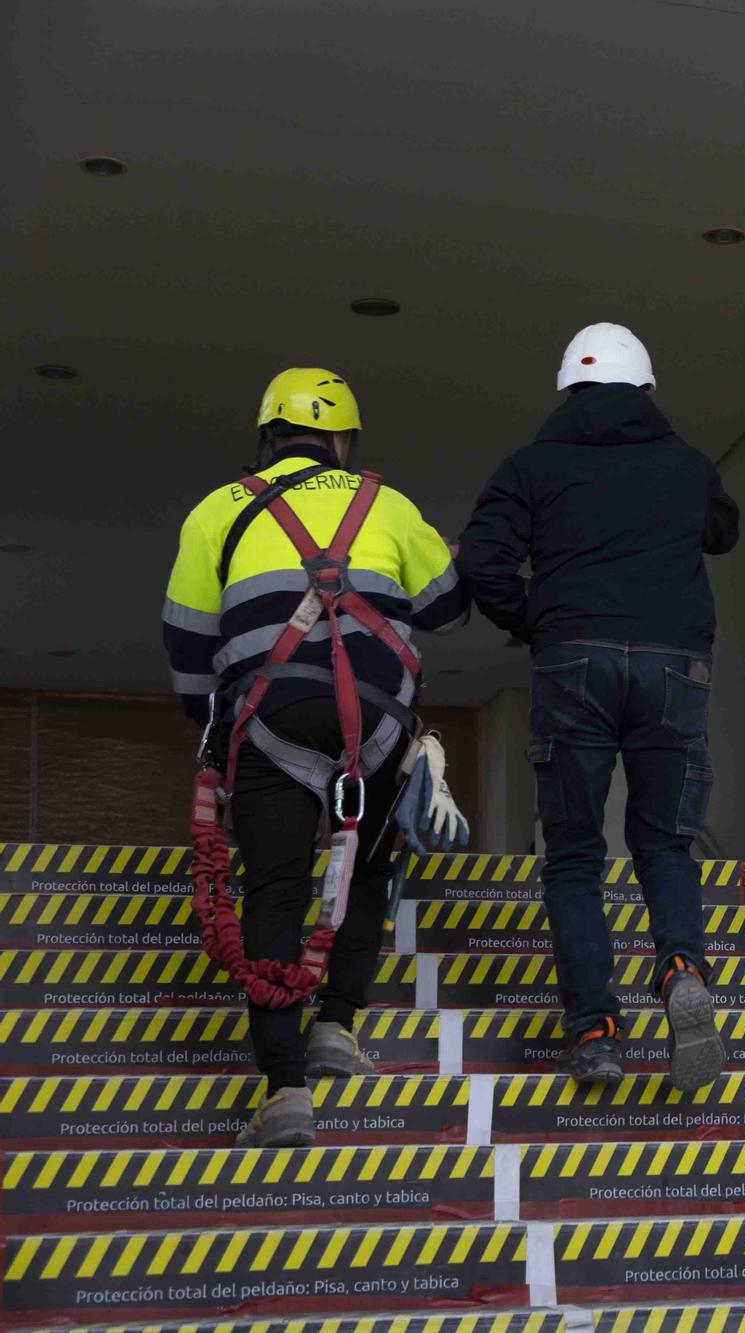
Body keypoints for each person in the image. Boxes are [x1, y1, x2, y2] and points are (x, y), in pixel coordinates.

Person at [163, 368, 470, 1147]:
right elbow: (447, 605)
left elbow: (188, 643)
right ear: (341, 441)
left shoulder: (213, 513)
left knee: (274, 890)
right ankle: (336, 1024)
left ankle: (285, 1090)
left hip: (273, 717)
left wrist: (212, 731)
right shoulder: (388, 504)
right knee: (364, 869)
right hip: (377, 720)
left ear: (267, 437)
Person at [458, 322, 738, 1090]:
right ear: (646, 390)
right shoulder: (685, 464)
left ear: (567, 391)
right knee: (665, 844)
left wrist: (532, 619)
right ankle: (681, 964)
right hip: (673, 665)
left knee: (576, 854)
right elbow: (725, 531)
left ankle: (596, 1030)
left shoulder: (531, 467)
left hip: (573, 659)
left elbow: (481, 559)